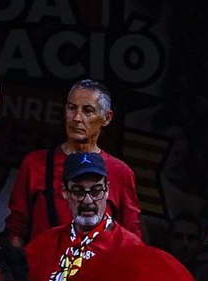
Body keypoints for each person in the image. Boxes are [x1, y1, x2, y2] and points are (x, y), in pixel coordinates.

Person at [8, 79, 141, 246]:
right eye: (71, 108)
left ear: (106, 118)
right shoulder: (35, 164)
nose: (77, 118)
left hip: (99, 269)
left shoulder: (121, 172)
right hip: (43, 268)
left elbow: (132, 236)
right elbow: (16, 228)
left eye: (88, 110)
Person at [24, 152, 142, 281]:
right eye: (78, 192)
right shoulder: (43, 244)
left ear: (107, 191)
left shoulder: (129, 247)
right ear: (64, 192)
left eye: (96, 191)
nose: (88, 201)